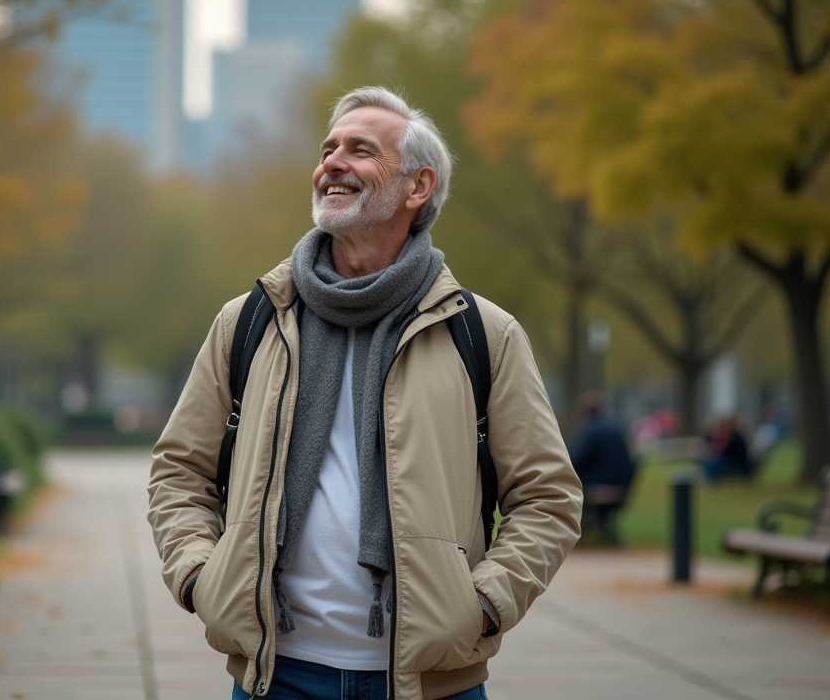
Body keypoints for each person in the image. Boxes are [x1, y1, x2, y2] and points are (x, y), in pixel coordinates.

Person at [147, 87, 582, 700]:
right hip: (277, 674)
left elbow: (547, 496)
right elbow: (179, 469)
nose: (333, 162)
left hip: (430, 684)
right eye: (328, 149)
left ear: (417, 187)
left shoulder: (482, 333)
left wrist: (482, 604)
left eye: (360, 149)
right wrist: (199, 576)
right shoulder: (250, 321)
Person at [568, 392, 636, 546]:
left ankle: (567, 534)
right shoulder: (616, 427)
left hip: (598, 488)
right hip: (622, 488)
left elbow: (574, 460)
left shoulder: (590, 430)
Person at [701, 414, 752, 481]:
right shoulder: (734, 435)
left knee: (710, 464)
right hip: (736, 462)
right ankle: (710, 480)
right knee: (710, 462)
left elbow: (725, 450)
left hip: (736, 464)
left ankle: (710, 481)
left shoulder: (733, 436)